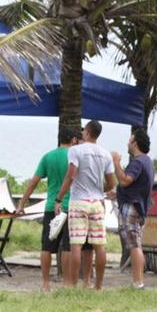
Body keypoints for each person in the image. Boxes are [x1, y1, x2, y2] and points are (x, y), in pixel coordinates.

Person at [16, 128, 80, 291]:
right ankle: (66, 282)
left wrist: (22, 204)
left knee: (46, 246)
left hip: (51, 207)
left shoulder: (48, 157)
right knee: (67, 247)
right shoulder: (74, 157)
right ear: (73, 140)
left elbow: (33, 182)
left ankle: (45, 283)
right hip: (70, 206)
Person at [54, 120, 116, 290]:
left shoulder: (75, 150)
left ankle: (73, 284)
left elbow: (71, 176)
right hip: (97, 203)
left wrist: (59, 198)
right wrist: (103, 189)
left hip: (79, 201)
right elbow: (111, 183)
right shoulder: (105, 154)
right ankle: (98, 287)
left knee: (76, 245)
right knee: (99, 246)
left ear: (87, 133)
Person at [111, 129, 154, 289]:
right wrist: (116, 193)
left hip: (132, 209)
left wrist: (116, 162)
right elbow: (135, 186)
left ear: (135, 143)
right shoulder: (147, 161)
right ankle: (138, 281)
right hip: (139, 208)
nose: (127, 143)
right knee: (136, 244)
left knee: (134, 246)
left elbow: (125, 180)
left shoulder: (138, 162)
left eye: (130, 140)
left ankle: (138, 282)